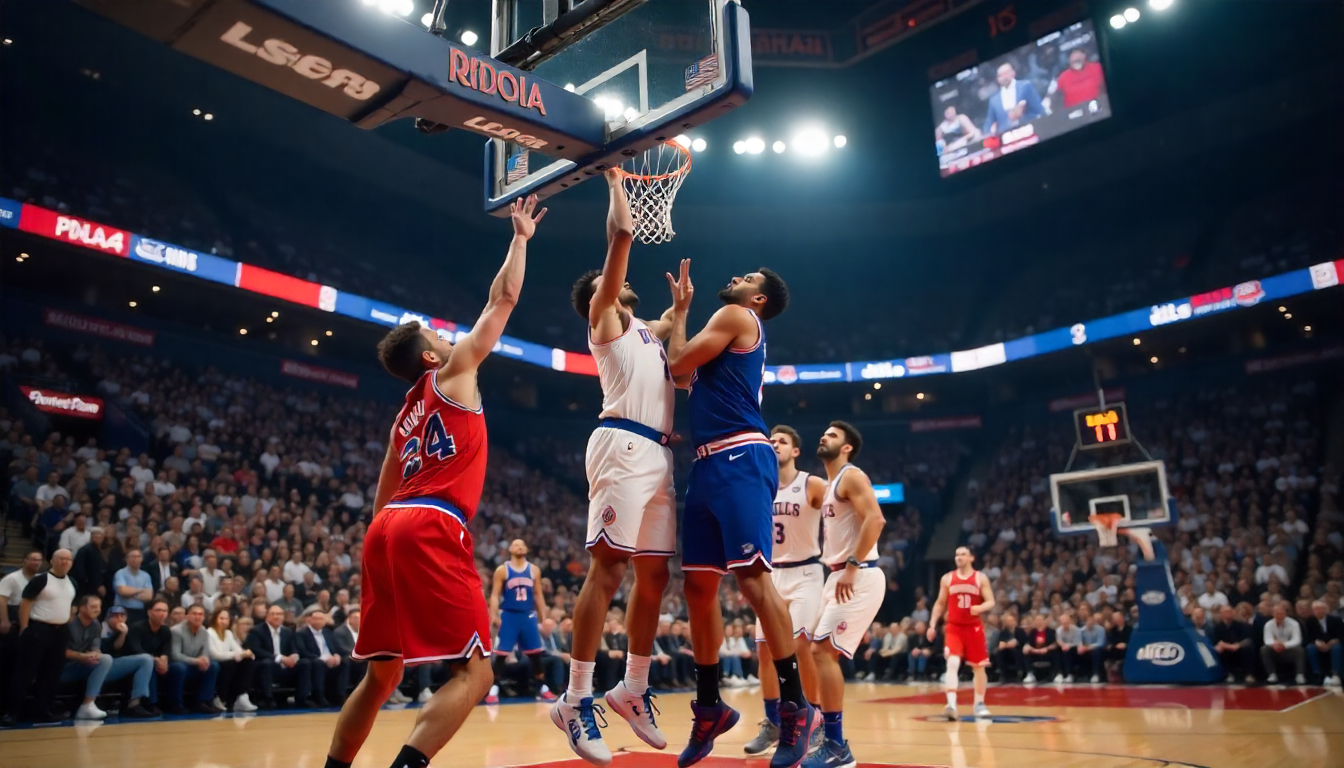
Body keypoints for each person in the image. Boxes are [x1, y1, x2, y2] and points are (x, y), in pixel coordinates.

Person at [324, 195, 545, 768]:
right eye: (437, 336)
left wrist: (381, 544)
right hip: (431, 521)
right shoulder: (453, 372)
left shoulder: (403, 417)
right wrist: (519, 239)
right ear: (429, 358)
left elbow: (382, 492)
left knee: (382, 676)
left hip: (385, 528)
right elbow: (503, 299)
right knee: (476, 674)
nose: (449, 338)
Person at [663, 259, 815, 768]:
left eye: (748, 279)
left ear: (758, 300)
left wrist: (680, 312)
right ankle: (710, 706)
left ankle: (796, 707)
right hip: (707, 464)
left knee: (752, 581)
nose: (736, 279)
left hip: (740, 454)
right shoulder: (726, 339)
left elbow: (677, 364)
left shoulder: (736, 316)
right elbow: (684, 376)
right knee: (698, 587)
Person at [555, 171, 677, 763]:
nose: (626, 283)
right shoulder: (605, 318)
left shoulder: (648, 332)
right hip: (623, 444)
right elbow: (623, 235)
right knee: (607, 571)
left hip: (659, 454)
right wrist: (615, 179)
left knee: (654, 577)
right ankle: (575, 698)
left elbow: (672, 327)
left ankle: (632, 687)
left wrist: (683, 306)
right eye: (617, 281)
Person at [801, 422, 886, 768]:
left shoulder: (851, 476)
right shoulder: (830, 485)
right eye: (824, 433)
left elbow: (876, 520)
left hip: (858, 573)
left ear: (847, 447)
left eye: (833, 435)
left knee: (822, 651)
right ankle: (824, 730)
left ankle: (837, 746)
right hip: (836, 575)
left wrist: (852, 564)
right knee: (813, 650)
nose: (824, 436)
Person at [744, 425, 827, 756]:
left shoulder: (811, 484)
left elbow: (839, 508)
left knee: (800, 645)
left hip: (806, 572)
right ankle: (774, 722)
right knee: (764, 650)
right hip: (771, 574)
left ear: (795, 451)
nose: (775, 444)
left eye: (782, 441)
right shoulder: (759, 485)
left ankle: (814, 719)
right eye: (772, 440)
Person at [3, 549, 76, 726]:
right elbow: (25, 603)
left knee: (51, 674)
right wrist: (25, 627)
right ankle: (11, 712)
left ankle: (43, 711)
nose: (65, 562)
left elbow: (73, 604)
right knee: (25, 673)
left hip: (59, 633)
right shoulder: (41, 579)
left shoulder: (72, 582)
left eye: (68, 559)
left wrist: (67, 619)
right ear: (52, 561)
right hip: (38, 630)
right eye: (61, 558)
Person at [927, 546, 995, 721]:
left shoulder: (980, 578)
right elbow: (940, 603)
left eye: (963, 554)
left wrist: (980, 607)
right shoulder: (947, 578)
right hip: (954, 627)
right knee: (952, 662)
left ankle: (979, 704)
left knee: (979, 667)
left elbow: (991, 601)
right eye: (957, 554)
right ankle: (951, 705)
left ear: (971, 558)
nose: (959, 557)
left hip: (973, 627)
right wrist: (932, 624)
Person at [60, 595, 155, 720]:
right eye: (93, 607)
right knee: (105, 659)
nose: (97, 609)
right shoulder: (69, 623)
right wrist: (82, 656)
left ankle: (134, 705)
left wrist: (95, 654)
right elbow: (60, 651)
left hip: (92, 664)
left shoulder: (96, 625)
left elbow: (96, 649)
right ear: (82, 608)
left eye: (99, 607)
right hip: (66, 667)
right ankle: (87, 705)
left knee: (145, 659)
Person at [489, 539, 554, 703]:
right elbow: (495, 594)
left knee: (535, 653)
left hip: (527, 614)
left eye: (522, 544)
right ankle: (493, 688)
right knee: (502, 653)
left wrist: (544, 617)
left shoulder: (534, 570)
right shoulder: (502, 570)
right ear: (510, 549)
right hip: (509, 614)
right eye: (516, 544)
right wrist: (494, 614)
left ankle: (542, 687)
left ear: (527, 549)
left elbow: (539, 595)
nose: (519, 546)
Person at [247, 604, 319, 709]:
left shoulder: (287, 631)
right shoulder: (257, 630)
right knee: (267, 663)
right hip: (268, 666)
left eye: (279, 614)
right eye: (273, 614)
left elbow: (294, 648)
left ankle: (302, 698)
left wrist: (294, 656)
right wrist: (280, 658)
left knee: (305, 663)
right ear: (267, 616)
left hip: (285, 667)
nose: (276, 617)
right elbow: (256, 650)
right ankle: (267, 699)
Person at [0, 551, 43, 714]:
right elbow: (2, 599)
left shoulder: (40, 579)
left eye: (39, 560)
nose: (36, 563)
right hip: (13, 621)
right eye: (33, 559)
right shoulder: (12, 578)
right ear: (25, 561)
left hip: (32, 621)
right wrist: (4, 620)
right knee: (8, 664)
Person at [100, 604, 160, 717]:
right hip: (100, 665)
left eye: (122, 615)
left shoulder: (129, 629)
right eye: (115, 615)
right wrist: (122, 634)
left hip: (117, 665)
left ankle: (137, 704)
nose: (119, 619)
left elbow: (133, 649)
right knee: (145, 660)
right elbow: (112, 649)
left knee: (146, 659)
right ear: (108, 617)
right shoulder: (101, 629)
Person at [168, 603, 223, 714]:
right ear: (187, 616)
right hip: (176, 665)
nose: (197, 617)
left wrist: (204, 659)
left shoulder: (204, 631)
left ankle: (204, 701)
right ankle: (176, 704)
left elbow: (205, 651)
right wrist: (197, 661)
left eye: (200, 614)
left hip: (194, 665)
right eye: (194, 614)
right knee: (179, 668)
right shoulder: (176, 631)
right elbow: (175, 655)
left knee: (213, 665)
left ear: (204, 617)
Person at [127, 600, 176, 711]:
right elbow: (135, 649)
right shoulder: (137, 627)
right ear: (149, 612)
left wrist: (164, 659)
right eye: (158, 610)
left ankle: (173, 703)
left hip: (154, 660)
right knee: (149, 666)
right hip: (134, 660)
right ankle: (150, 703)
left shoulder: (165, 630)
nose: (162, 614)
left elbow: (166, 649)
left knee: (176, 668)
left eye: (165, 611)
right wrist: (155, 660)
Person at [206, 607, 258, 712]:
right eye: (221, 618)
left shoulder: (228, 633)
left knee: (248, 662)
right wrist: (237, 654)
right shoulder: (209, 633)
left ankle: (241, 696)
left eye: (226, 619)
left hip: (227, 661)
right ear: (215, 619)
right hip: (214, 663)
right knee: (229, 665)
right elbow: (215, 655)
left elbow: (238, 650)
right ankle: (220, 698)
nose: (224, 621)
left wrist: (246, 654)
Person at [298, 608, 348, 706]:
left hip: (331, 660)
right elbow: (303, 651)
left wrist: (336, 655)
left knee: (345, 662)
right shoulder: (302, 633)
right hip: (315, 661)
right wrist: (324, 658)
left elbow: (335, 648)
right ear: (309, 620)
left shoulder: (328, 632)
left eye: (321, 619)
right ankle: (319, 695)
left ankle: (340, 695)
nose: (318, 621)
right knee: (318, 663)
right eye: (315, 619)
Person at [981, 62, 1045, 136]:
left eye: (1006, 73)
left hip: (1028, 130)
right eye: (1000, 76)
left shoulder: (1025, 87)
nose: (1004, 77)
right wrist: (985, 134)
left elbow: (1039, 110)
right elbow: (989, 123)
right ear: (997, 79)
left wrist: (1022, 114)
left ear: (1013, 73)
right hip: (1006, 136)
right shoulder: (993, 100)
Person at [1261, 602, 1305, 685]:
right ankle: (1272, 674)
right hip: (1275, 650)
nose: (1279, 616)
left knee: (1299, 650)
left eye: (1281, 613)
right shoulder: (1268, 624)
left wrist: (1284, 645)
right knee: (1264, 649)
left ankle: (1300, 674)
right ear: (1273, 614)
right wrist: (1274, 644)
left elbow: (1297, 640)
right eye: (1277, 613)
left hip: (1289, 650)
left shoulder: (1294, 624)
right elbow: (1267, 640)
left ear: (1285, 614)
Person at [1211, 606, 1256, 684]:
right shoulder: (1217, 627)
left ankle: (1248, 674)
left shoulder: (1240, 625)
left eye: (1230, 611)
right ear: (1221, 614)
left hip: (1238, 647)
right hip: (1226, 648)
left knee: (1248, 649)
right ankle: (1228, 674)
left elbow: (1248, 639)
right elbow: (1217, 642)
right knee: (1220, 651)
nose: (1228, 614)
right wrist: (1228, 646)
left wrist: (1238, 645)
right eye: (1226, 612)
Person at [1304, 600, 1343, 687]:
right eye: (1316, 609)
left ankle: (1335, 673)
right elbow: (1309, 637)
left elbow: (1341, 635)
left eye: (1320, 609)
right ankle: (1317, 674)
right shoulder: (1310, 621)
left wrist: (1332, 642)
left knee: (1337, 647)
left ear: (1325, 610)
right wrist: (1316, 642)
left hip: (1333, 642)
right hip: (1319, 643)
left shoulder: (1335, 620)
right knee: (1310, 648)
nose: (1318, 611)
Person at [113, 548, 154, 625]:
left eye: (138, 556)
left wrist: (130, 593)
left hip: (139, 612)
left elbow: (148, 596)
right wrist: (141, 590)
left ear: (142, 559)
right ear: (127, 559)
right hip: (122, 611)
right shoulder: (120, 573)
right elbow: (123, 591)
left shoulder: (146, 576)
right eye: (133, 556)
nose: (136, 559)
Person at [1022, 614, 1060, 683]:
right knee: (1026, 654)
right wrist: (1032, 649)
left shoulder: (1051, 631)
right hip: (1035, 653)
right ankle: (1030, 674)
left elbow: (1055, 644)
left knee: (1056, 654)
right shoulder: (1033, 632)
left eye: (1040, 620)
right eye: (1037, 620)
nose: (1039, 622)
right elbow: (1028, 644)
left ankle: (1057, 674)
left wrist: (1047, 649)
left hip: (1047, 652)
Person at [1077, 614, 1107, 683]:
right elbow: (1079, 641)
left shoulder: (1100, 629)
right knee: (1077, 651)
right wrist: (1080, 647)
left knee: (1096, 651)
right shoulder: (1081, 630)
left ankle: (1096, 674)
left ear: (1094, 622)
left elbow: (1101, 643)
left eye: (1091, 621)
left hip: (1098, 649)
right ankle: (1081, 675)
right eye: (1087, 621)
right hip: (1086, 649)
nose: (1089, 623)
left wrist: (1088, 647)